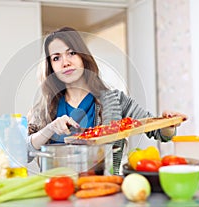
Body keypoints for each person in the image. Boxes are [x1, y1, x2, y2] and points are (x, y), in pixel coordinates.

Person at [25, 27, 187, 175]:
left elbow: (159, 132)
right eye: (56, 58)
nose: (65, 62)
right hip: (58, 191)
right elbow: (25, 152)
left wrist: (168, 124)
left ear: (83, 56)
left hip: (106, 187)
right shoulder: (44, 108)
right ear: (51, 66)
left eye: (72, 53)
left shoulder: (115, 100)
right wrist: (50, 128)